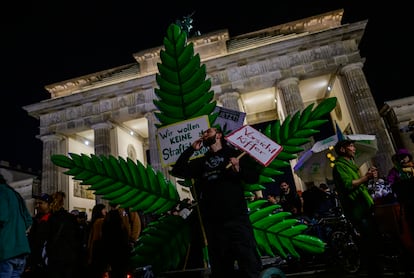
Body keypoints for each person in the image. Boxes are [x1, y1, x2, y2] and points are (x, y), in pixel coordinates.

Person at [171, 127, 262, 278]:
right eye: (204, 133)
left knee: (249, 263)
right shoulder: (201, 162)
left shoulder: (235, 155)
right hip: (214, 224)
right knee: (221, 269)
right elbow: (178, 171)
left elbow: (253, 177)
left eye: (208, 131)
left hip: (236, 218)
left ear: (219, 135)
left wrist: (239, 169)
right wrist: (190, 150)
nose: (204, 134)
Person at [332, 139, 383, 277]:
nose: (354, 148)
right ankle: (373, 270)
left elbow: (359, 185)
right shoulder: (339, 166)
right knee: (368, 241)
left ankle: (376, 267)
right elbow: (348, 185)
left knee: (374, 238)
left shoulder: (351, 165)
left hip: (365, 205)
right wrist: (365, 178)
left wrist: (370, 177)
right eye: (351, 146)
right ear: (342, 150)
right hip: (356, 209)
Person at [0, 174, 33, 278]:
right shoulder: (15, 194)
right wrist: (16, 231)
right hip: (21, 250)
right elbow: (28, 219)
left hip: (5, 251)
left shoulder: (1, 192)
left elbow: (1, 217)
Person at [45, 191, 82, 278]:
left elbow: (47, 237)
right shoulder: (71, 218)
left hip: (55, 257)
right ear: (62, 202)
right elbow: (78, 238)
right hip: (70, 257)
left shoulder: (51, 218)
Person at [101, 203, 131, 278]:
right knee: (122, 271)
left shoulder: (108, 216)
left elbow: (104, 234)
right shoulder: (123, 214)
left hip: (111, 248)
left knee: (114, 272)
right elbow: (126, 229)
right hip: (122, 248)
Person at [26, 193, 52, 276]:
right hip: (35, 258)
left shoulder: (52, 219)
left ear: (48, 204)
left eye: (40, 203)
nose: (37, 206)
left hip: (45, 259)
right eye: (36, 203)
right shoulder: (37, 219)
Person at [87, 203, 108, 278]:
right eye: (104, 209)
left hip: (94, 253)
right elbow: (96, 238)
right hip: (99, 252)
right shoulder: (100, 221)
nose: (106, 211)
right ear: (100, 211)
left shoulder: (93, 222)